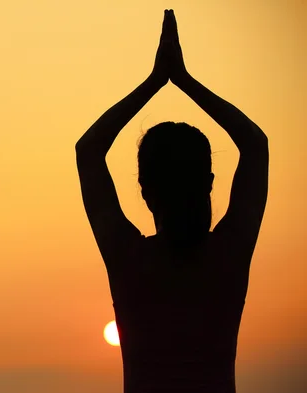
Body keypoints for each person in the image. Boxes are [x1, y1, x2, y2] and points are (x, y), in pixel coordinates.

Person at [75, 9, 268, 393]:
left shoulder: (128, 259)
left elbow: (89, 149)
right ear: (210, 182)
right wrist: (184, 80)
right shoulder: (229, 254)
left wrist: (155, 81)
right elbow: (255, 145)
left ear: (145, 190)